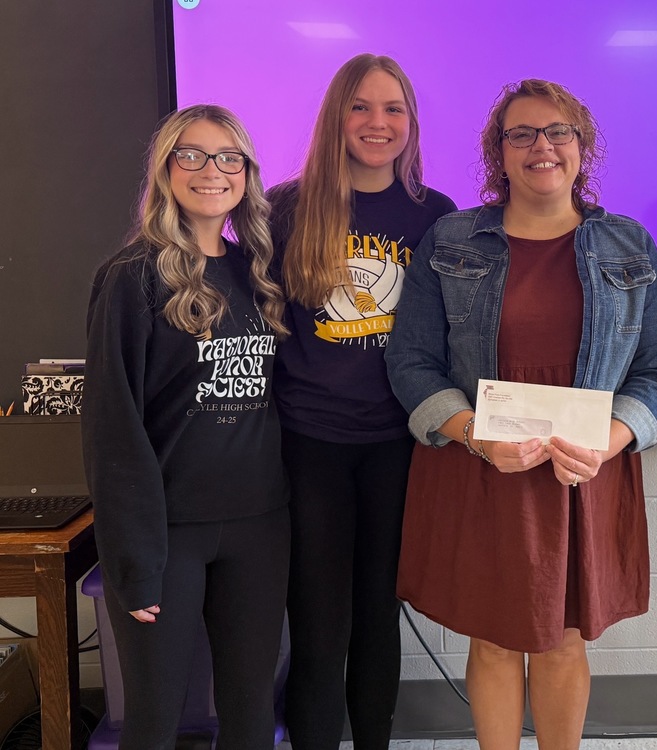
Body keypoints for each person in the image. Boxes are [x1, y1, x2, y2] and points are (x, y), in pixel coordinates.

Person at [385, 79, 657, 750]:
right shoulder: (452, 239)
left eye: (557, 132)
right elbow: (410, 360)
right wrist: (473, 433)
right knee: (492, 643)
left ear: (582, 148)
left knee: (563, 644)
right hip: (480, 467)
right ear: (499, 152)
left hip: (583, 471)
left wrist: (612, 439)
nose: (540, 147)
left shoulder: (630, 245)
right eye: (520, 134)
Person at [81, 104, 290, 750]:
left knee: (251, 709)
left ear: (247, 174)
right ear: (165, 169)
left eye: (229, 157)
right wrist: (132, 562)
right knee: (153, 718)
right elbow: (113, 432)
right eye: (192, 155)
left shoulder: (256, 273)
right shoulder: (129, 278)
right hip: (166, 538)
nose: (211, 171)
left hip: (258, 527)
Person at [266, 53, 456, 750]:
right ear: (336, 117)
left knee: (378, 611)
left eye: (394, 109)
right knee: (318, 621)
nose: (378, 123)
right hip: (308, 445)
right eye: (362, 107)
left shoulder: (435, 213)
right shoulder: (282, 210)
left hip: (398, 445)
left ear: (411, 122)